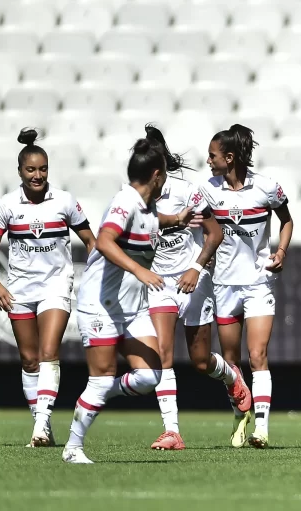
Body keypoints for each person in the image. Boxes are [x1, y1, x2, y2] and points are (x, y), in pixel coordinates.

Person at [63, 137, 199, 464]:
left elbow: (151, 224)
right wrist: (140, 270)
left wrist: (177, 220)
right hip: (101, 303)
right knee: (101, 377)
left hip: (132, 307)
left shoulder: (148, 208)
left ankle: (97, 395)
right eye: (164, 172)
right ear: (156, 175)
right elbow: (105, 241)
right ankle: (73, 448)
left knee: (150, 376)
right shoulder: (124, 202)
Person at [0, 128, 96, 448]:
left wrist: (96, 276)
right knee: (29, 360)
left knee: (48, 353)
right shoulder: (6, 205)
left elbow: (91, 241)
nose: (38, 175)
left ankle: (42, 426)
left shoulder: (64, 201)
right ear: (20, 171)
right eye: (31, 169)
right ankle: (40, 422)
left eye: (43, 169)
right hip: (18, 289)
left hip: (56, 285)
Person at [143, 124, 252, 451]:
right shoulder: (134, 194)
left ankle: (235, 382)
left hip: (194, 279)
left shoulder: (187, 191)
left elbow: (214, 234)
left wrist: (194, 268)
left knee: (201, 360)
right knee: (161, 353)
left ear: (160, 171)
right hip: (160, 281)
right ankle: (172, 432)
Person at [199, 124, 294, 449]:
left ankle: (262, 429)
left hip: (258, 283)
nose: (208, 160)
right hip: (223, 285)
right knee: (230, 361)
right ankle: (241, 414)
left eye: (213, 155)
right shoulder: (207, 190)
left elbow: (287, 219)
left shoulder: (267, 188)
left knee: (258, 355)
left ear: (229, 157)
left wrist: (280, 251)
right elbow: (197, 223)